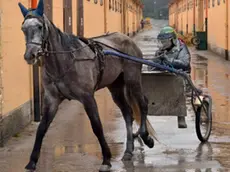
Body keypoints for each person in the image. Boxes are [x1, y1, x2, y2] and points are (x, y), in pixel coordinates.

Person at [150, 26, 191, 128]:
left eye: (165, 41)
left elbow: (185, 63)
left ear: (172, 40)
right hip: (165, 77)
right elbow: (151, 66)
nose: (163, 44)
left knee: (178, 82)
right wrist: (157, 60)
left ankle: (181, 115)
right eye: (162, 41)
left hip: (180, 76)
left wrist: (169, 60)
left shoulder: (181, 48)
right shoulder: (161, 50)